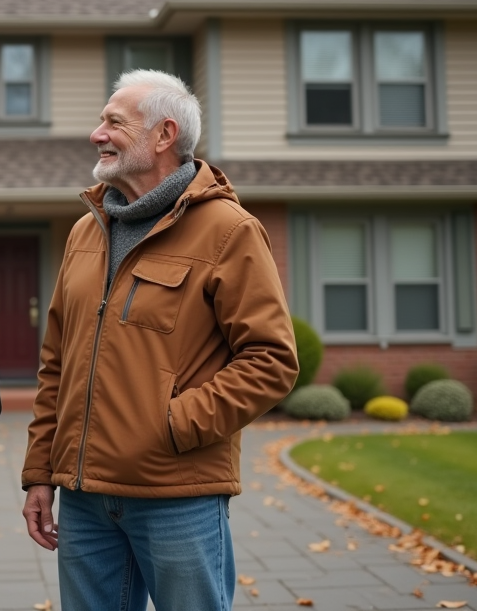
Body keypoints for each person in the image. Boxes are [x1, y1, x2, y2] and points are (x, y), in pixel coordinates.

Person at [21, 69, 298, 611]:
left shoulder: (228, 230)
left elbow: (271, 360)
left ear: (164, 136)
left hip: (177, 496)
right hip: (83, 500)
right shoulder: (86, 231)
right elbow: (57, 362)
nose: (96, 133)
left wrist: (171, 425)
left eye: (113, 122)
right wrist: (39, 473)